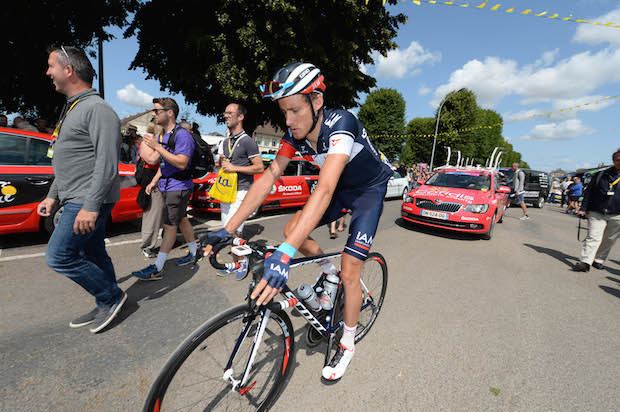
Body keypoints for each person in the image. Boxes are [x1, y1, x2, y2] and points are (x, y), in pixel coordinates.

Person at [205, 62, 393, 381]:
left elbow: (326, 189)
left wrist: (285, 255)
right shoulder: (297, 134)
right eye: (283, 112)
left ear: (316, 101)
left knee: (351, 268)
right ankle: (328, 277)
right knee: (292, 229)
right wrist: (228, 227)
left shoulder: (341, 123)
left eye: (294, 110)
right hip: (340, 188)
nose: (289, 121)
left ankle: (346, 343)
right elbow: (269, 177)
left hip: (367, 191)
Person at [37, 46, 126, 333]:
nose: (47, 72)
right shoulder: (73, 108)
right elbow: (68, 160)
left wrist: (91, 206)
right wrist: (52, 196)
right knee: (94, 253)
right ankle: (107, 301)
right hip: (76, 196)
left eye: (51, 65)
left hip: (87, 200)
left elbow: (107, 163)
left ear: (68, 70)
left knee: (59, 256)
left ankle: (111, 296)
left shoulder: (97, 109)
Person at [131, 97, 198, 280]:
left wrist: (158, 148)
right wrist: (154, 181)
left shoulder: (182, 135)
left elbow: (182, 163)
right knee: (182, 219)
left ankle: (158, 268)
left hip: (178, 187)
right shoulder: (164, 136)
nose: (154, 114)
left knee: (169, 226)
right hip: (168, 185)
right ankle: (194, 252)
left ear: (170, 113)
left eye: (157, 111)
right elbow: (165, 164)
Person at [214, 103, 263, 280]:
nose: (226, 115)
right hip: (226, 190)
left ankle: (240, 263)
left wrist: (234, 167)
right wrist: (221, 165)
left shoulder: (248, 141)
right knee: (228, 229)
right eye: (225, 112)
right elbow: (221, 164)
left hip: (242, 191)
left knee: (235, 230)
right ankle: (237, 261)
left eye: (230, 113)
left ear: (240, 117)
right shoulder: (225, 142)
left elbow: (259, 168)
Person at [574, 149, 620, 272]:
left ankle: (598, 259)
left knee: (610, 239)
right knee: (593, 237)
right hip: (597, 211)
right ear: (613, 161)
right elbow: (588, 192)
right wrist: (583, 208)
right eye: (618, 160)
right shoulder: (601, 175)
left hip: (617, 214)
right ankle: (585, 262)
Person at [137, 123, 165, 258]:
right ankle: (147, 246)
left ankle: (166, 239)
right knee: (152, 215)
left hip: (163, 181)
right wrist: (159, 147)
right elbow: (152, 160)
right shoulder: (146, 143)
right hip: (151, 181)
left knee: (161, 213)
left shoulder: (157, 143)